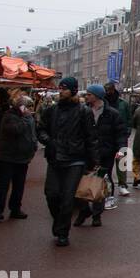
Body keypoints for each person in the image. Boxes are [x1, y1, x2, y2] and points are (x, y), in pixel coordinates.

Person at [37, 77, 96, 247]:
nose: (61, 91)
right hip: (55, 158)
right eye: (60, 88)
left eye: (64, 88)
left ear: (73, 90)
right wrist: (49, 141)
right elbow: (41, 129)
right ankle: (59, 222)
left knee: (68, 198)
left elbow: (91, 137)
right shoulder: (51, 111)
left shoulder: (83, 111)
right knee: (51, 194)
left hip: (75, 159)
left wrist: (93, 162)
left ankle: (63, 233)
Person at [77, 85, 128, 228]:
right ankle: (84, 209)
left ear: (97, 96)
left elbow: (120, 133)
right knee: (79, 181)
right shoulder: (82, 111)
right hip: (85, 152)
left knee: (100, 181)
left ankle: (97, 215)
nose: (86, 97)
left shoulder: (112, 113)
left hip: (105, 153)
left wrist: (120, 150)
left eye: (89, 94)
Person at [0, 94, 37, 222]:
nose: (30, 109)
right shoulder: (9, 116)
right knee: (3, 185)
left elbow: (32, 133)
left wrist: (33, 146)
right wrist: (26, 118)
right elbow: (16, 130)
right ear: (21, 107)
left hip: (22, 157)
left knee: (19, 185)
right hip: (7, 157)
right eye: (27, 107)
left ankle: (15, 209)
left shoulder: (28, 118)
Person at [103, 82, 132, 194]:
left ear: (113, 90)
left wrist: (127, 131)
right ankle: (106, 186)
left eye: (109, 90)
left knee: (123, 162)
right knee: (106, 164)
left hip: (121, 136)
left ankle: (122, 185)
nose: (107, 92)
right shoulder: (103, 103)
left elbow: (129, 119)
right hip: (107, 137)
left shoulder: (123, 104)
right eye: (106, 90)